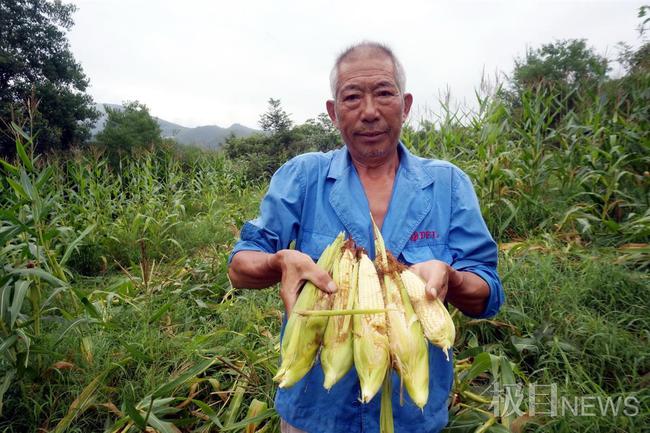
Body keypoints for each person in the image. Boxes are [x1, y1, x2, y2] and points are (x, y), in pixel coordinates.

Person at [228, 41, 504, 433]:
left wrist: (454, 277)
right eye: (353, 97)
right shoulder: (303, 177)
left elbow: (486, 289)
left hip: (413, 412)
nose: (370, 111)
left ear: (405, 105)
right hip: (316, 413)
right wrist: (277, 261)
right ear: (333, 112)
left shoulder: (448, 184)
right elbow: (241, 264)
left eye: (384, 93)